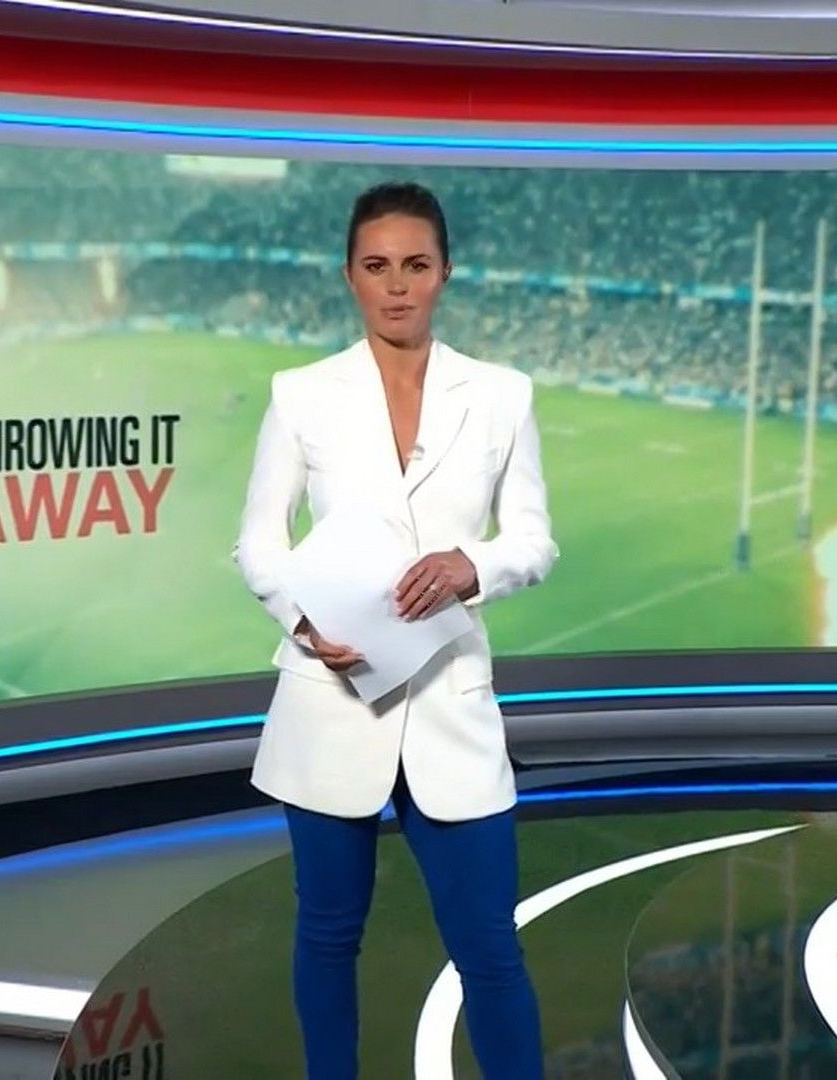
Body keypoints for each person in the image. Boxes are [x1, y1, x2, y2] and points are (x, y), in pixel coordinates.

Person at [233, 181, 558, 1079]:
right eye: (377, 266)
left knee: (490, 948)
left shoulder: (502, 395)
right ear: (350, 276)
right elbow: (259, 541)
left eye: (416, 265)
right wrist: (302, 622)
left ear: (445, 272)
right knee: (327, 935)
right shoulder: (301, 395)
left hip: (452, 704)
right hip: (331, 699)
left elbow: (534, 540)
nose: (397, 285)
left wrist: (472, 565)